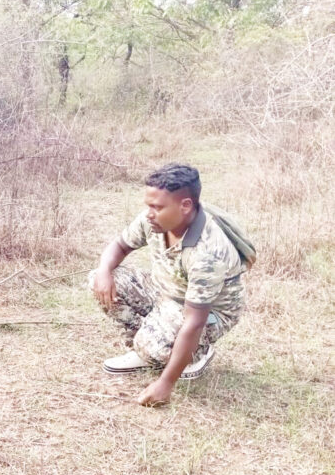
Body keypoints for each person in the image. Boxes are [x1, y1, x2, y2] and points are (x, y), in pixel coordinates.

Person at [90, 163, 246, 405]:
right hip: (167, 292)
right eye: (148, 205)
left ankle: (194, 354)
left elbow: (195, 320)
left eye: (157, 207)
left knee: (156, 343)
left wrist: (165, 383)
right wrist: (103, 271)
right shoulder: (153, 221)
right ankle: (149, 347)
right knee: (103, 279)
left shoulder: (207, 252)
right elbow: (120, 246)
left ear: (185, 206)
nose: (149, 213)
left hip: (207, 313)